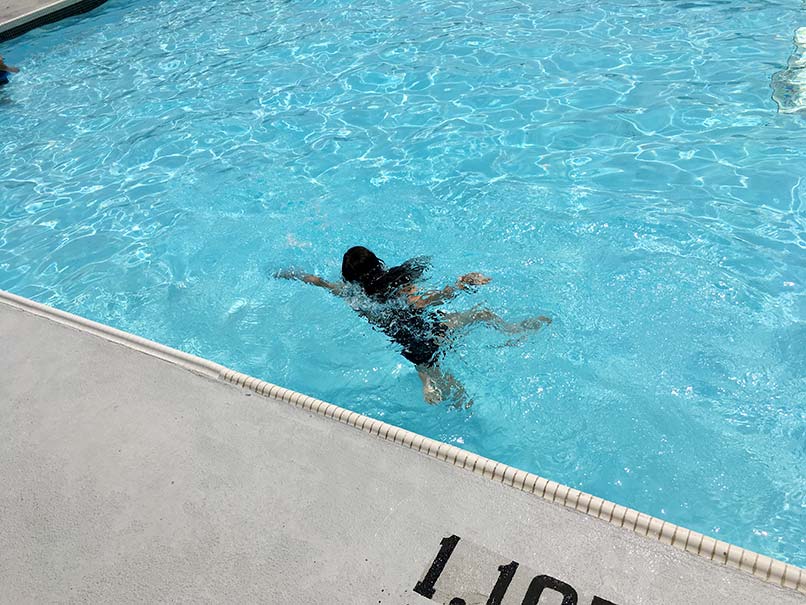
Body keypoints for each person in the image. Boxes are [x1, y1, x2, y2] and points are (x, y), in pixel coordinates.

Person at [277, 246, 551, 405]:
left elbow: (319, 282)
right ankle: (512, 331)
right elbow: (424, 302)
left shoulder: (352, 295)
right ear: (378, 263)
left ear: (349, 276)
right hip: (432, 328)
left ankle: (429, 383)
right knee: (483, 313)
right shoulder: (397, 286)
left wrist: (293, 274)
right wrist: (460, 284)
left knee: (443, 381)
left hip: (411, 346)